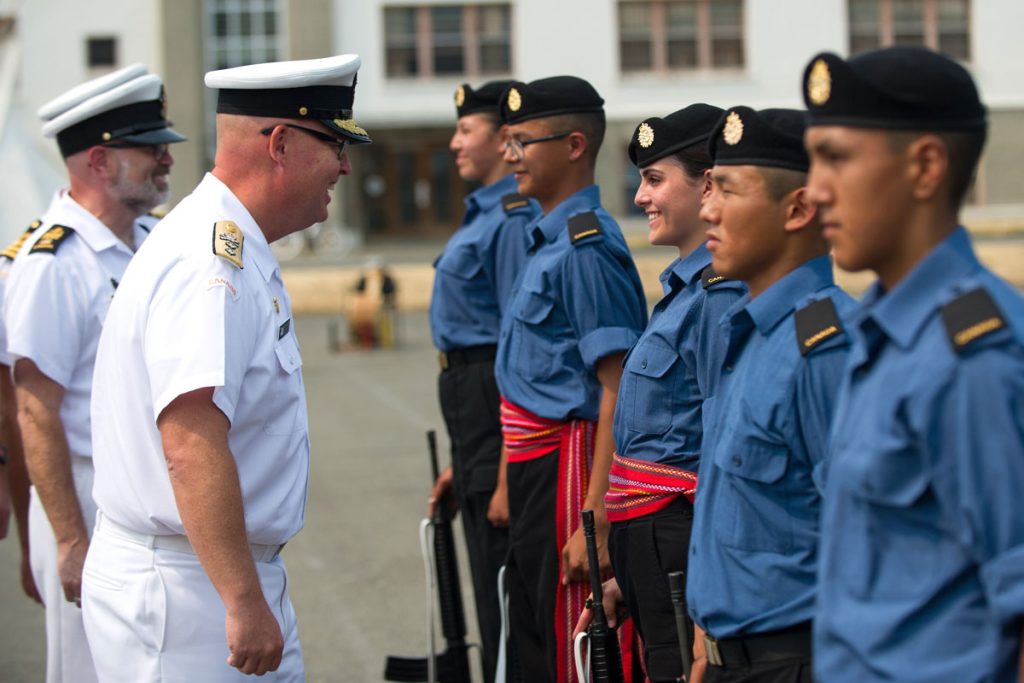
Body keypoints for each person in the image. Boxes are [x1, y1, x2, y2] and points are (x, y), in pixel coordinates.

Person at [83, 54, 369, 681]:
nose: (344, 166)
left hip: (214, 573)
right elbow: (190, 441)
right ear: (281, 143)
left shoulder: (232, 245)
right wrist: (242, 600)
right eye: (334, 145)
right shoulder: (208, 262)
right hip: (188, 594)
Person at [802, 47, 1024, 683]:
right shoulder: (885, 327)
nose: (815, 188)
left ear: (926, 166)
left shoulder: (974, 357)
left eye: (837, 157)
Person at [2, 63, 185, 683]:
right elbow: (33, 408)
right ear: (98, 162)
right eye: (148, 146)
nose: (166, 157)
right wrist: (67, 539)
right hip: (83, 494)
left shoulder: (152, 240)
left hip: (149, 494)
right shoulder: (53, 262)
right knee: (90, 669)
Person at [572, 104, 742, 683]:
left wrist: (709, 599)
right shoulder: (682, 293)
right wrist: (628, 570)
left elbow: (719, 455)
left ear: (709, 186)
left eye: (655, 179)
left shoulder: (719, 297)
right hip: (654, 548)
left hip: (683, 547)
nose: (641, 197)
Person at [686, 107, 855, 683]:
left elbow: (873, 546)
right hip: (730, 657)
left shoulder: (825, 350)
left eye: (727, 190)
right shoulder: (751, 333)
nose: (706, 209)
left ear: (800, 209)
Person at [493, 75, 648, 683]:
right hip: (536, 463)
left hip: (570, 466)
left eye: (524, 141)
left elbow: (618, 386)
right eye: (507, 141)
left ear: (575, 145)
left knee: (569, 646)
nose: (511, 156)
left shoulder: (585, 248)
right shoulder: (550, 238)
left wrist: (598, 515)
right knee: (534, 632)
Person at [426, 79, 537, 683]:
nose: (455, 142)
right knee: (481, 573)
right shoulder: (484, 213)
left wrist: (502, 473)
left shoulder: (513, 220)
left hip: (494, 403)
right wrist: (466, 463)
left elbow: (516, 347)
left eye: (466, 130)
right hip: (473, 415)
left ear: (501, 139)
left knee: (502, 585)